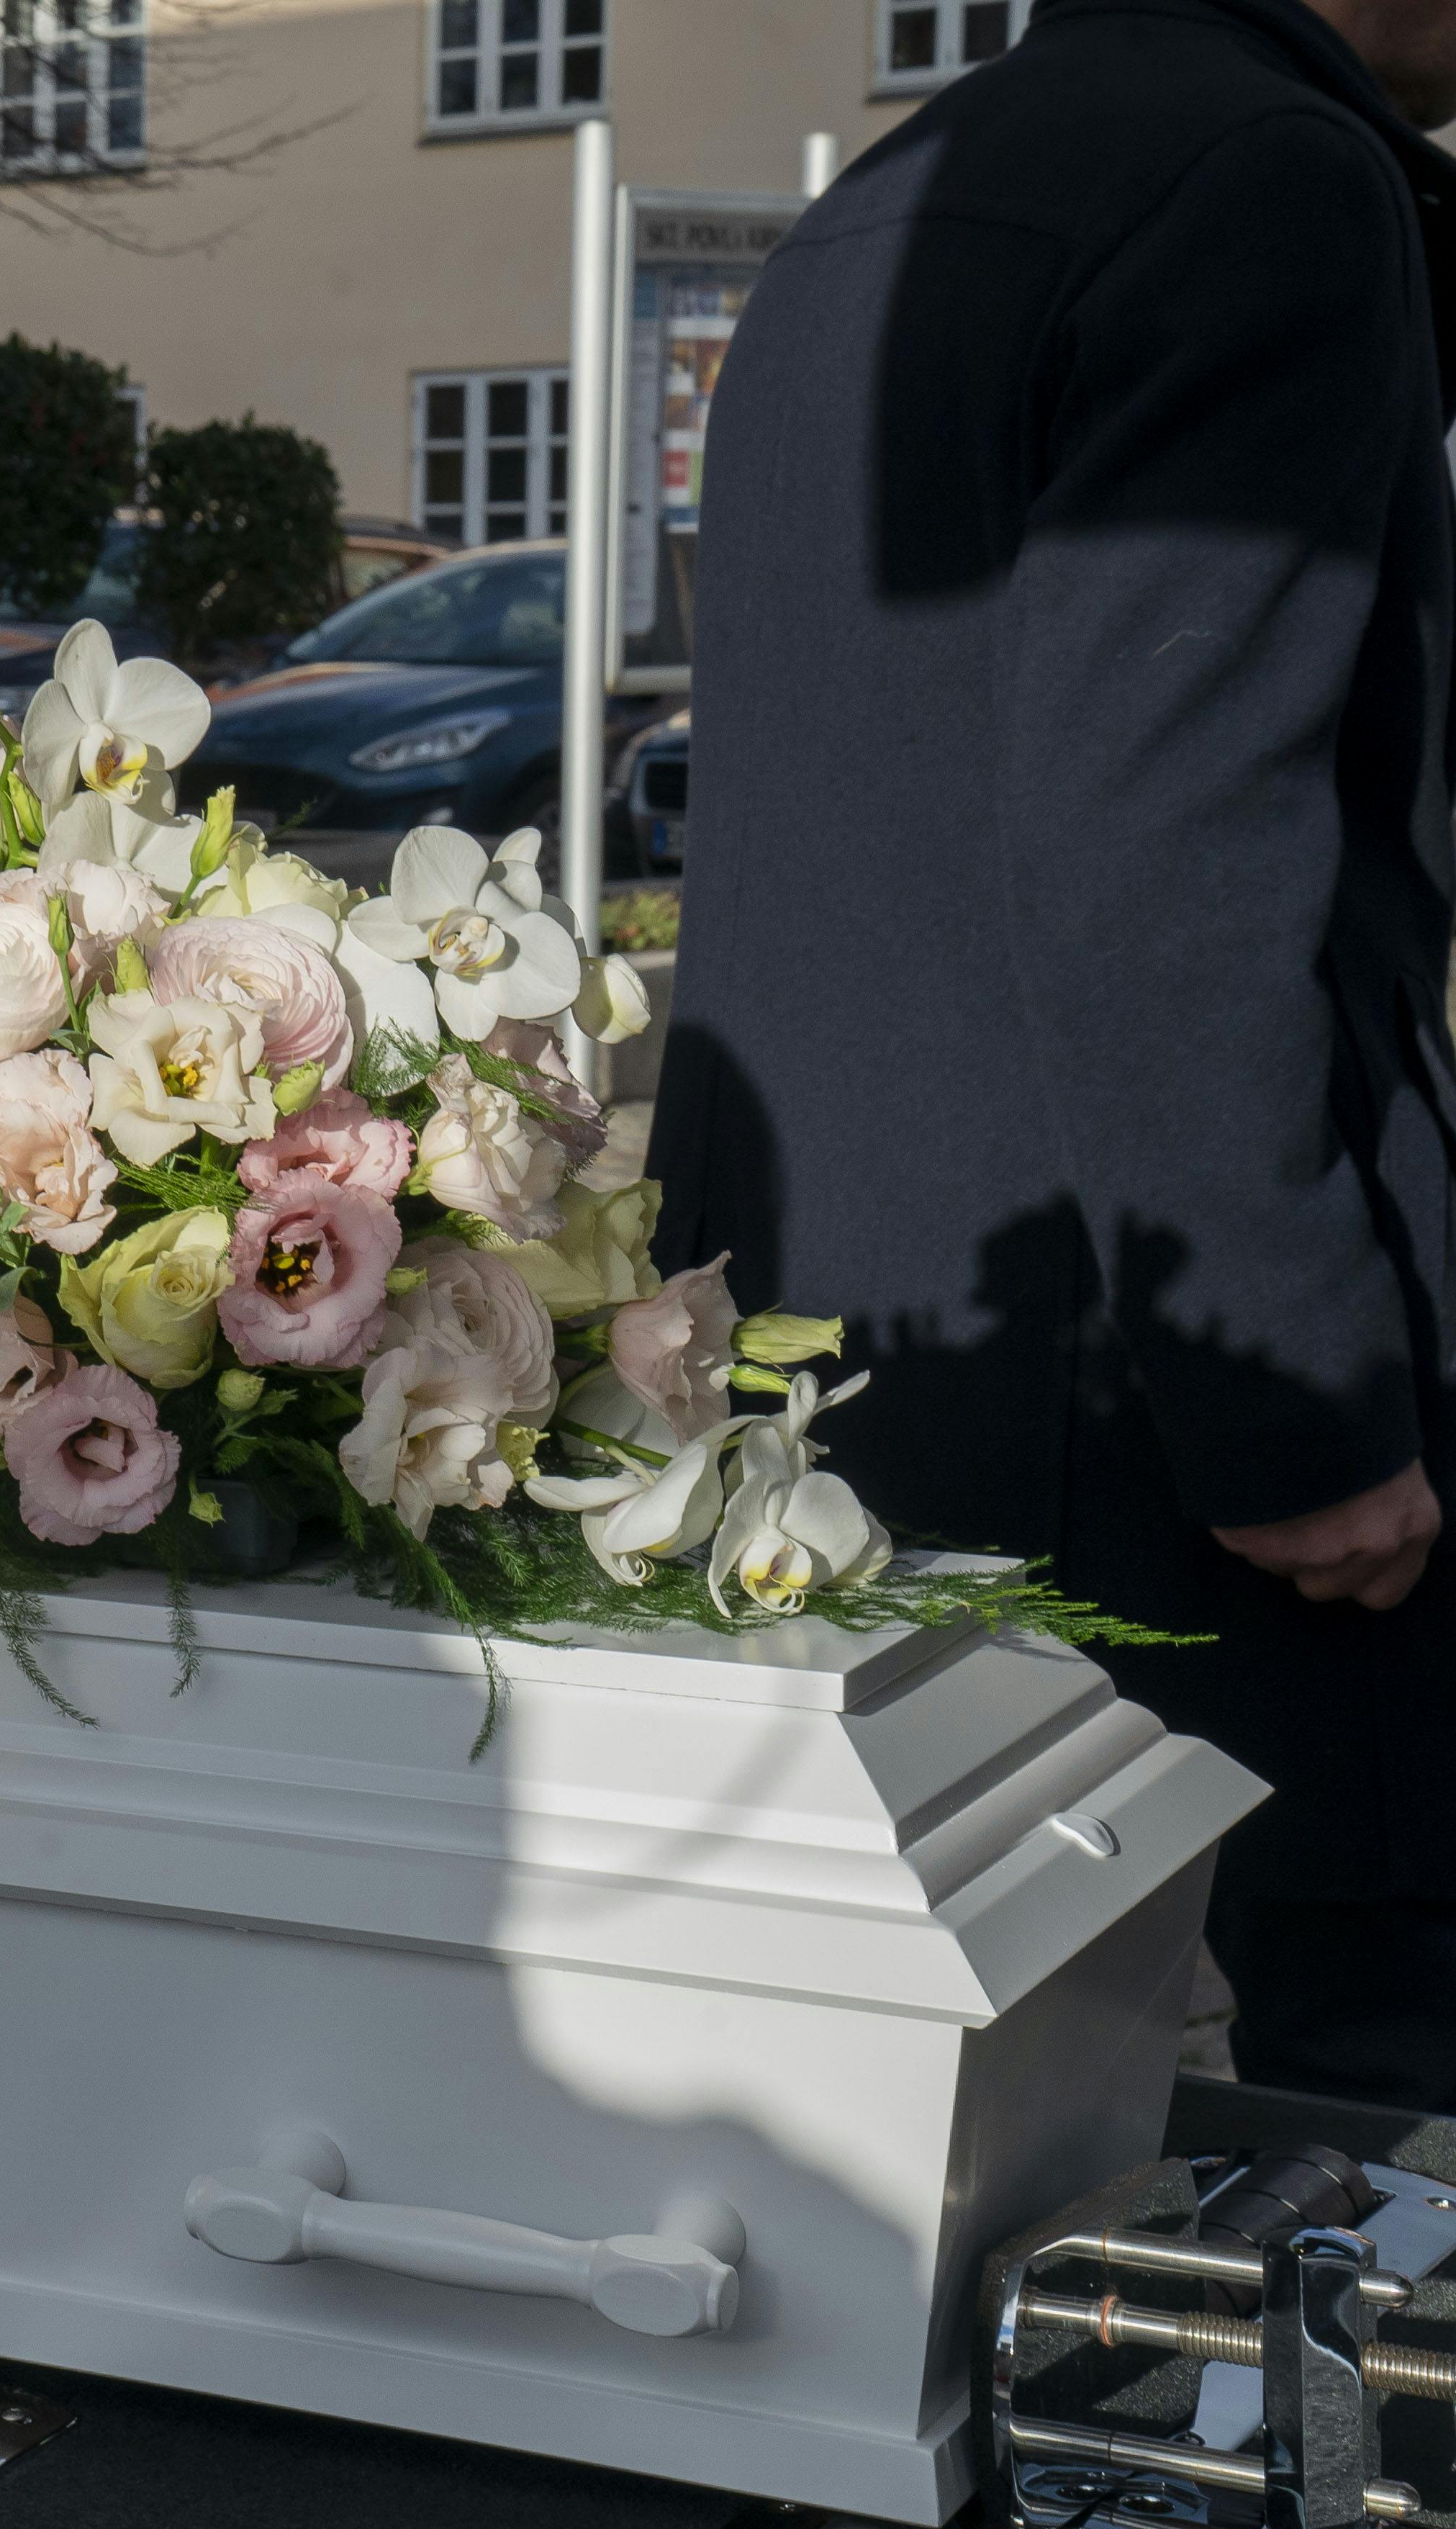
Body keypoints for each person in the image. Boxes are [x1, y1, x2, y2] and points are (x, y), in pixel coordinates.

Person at [654, 0, 1456, 2099]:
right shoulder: (1268, 180)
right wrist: (1301, 1404)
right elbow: (1174, 847)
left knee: (932, 2127)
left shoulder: (905, 185)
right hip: (1158, 1383)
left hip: (844, 1379)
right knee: (1356, 2110)